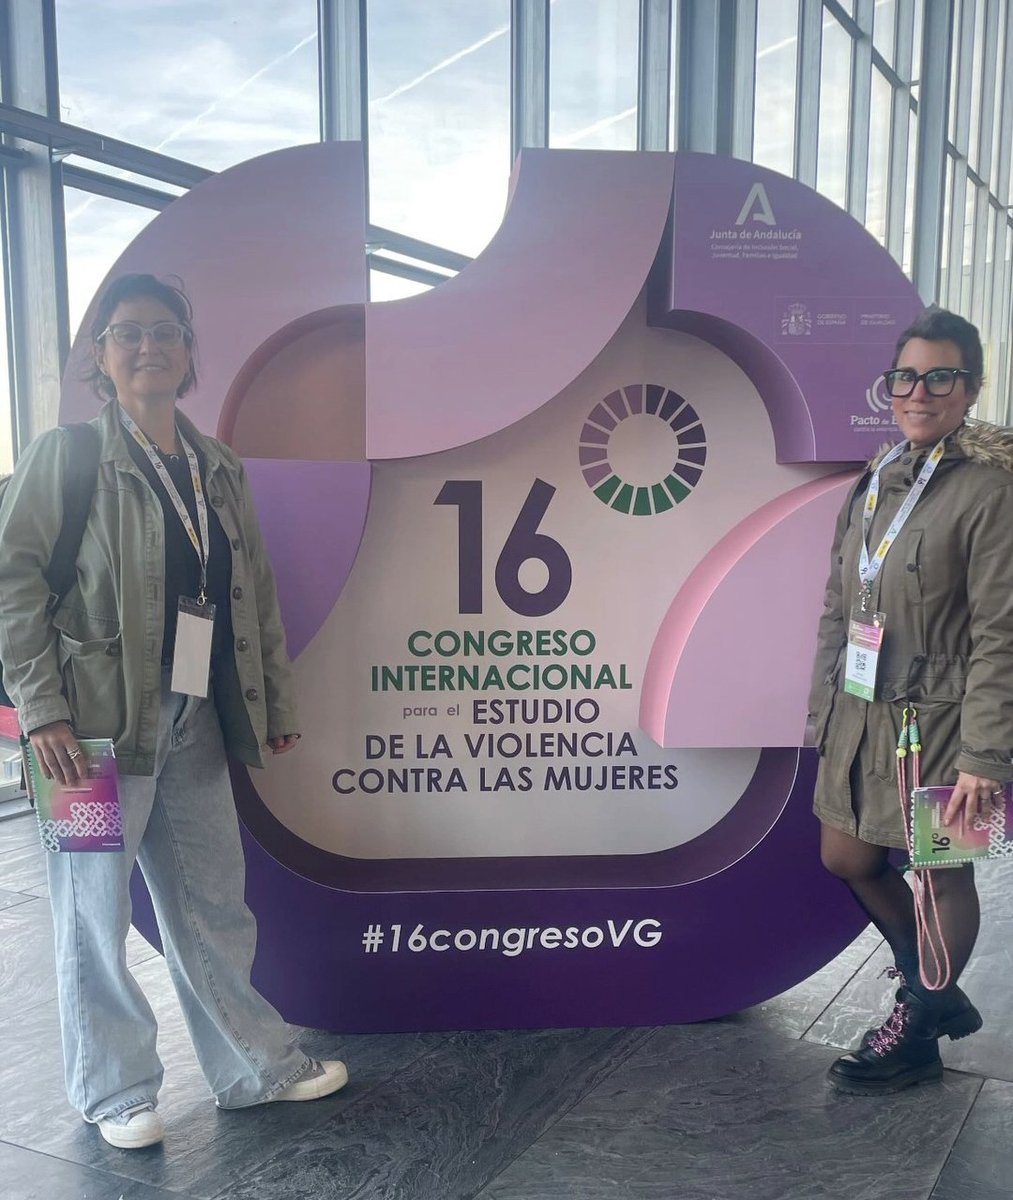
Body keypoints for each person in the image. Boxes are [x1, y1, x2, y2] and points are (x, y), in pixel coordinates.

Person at [0, 274, 347, 1149]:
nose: (147, 346)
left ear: (188, 352)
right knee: (94, 912)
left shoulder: (216, 466)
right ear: (101, 357)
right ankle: (115, 1092)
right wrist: (41, 712)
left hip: (193, 713)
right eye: (127, 334)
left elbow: (251, 593)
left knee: (212, 904)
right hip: (90, 733)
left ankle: (254, 1067)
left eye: (164, 332)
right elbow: (10, 585)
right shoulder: (67, 455)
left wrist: (269, 699)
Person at [807, 306, 1013, 1096]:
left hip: (947, 723)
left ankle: (916, 1028)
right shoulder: (876, 478)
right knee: (845, 856)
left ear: (969, 389)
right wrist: (824, 713)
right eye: (904, 377)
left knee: (940, 874)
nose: (918, 391)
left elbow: (1002, 630)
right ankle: (934, 991)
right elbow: (839, 604)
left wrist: (984, 758)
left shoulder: (991, 492)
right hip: (863, 716)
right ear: (888, 388)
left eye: (939, 376)